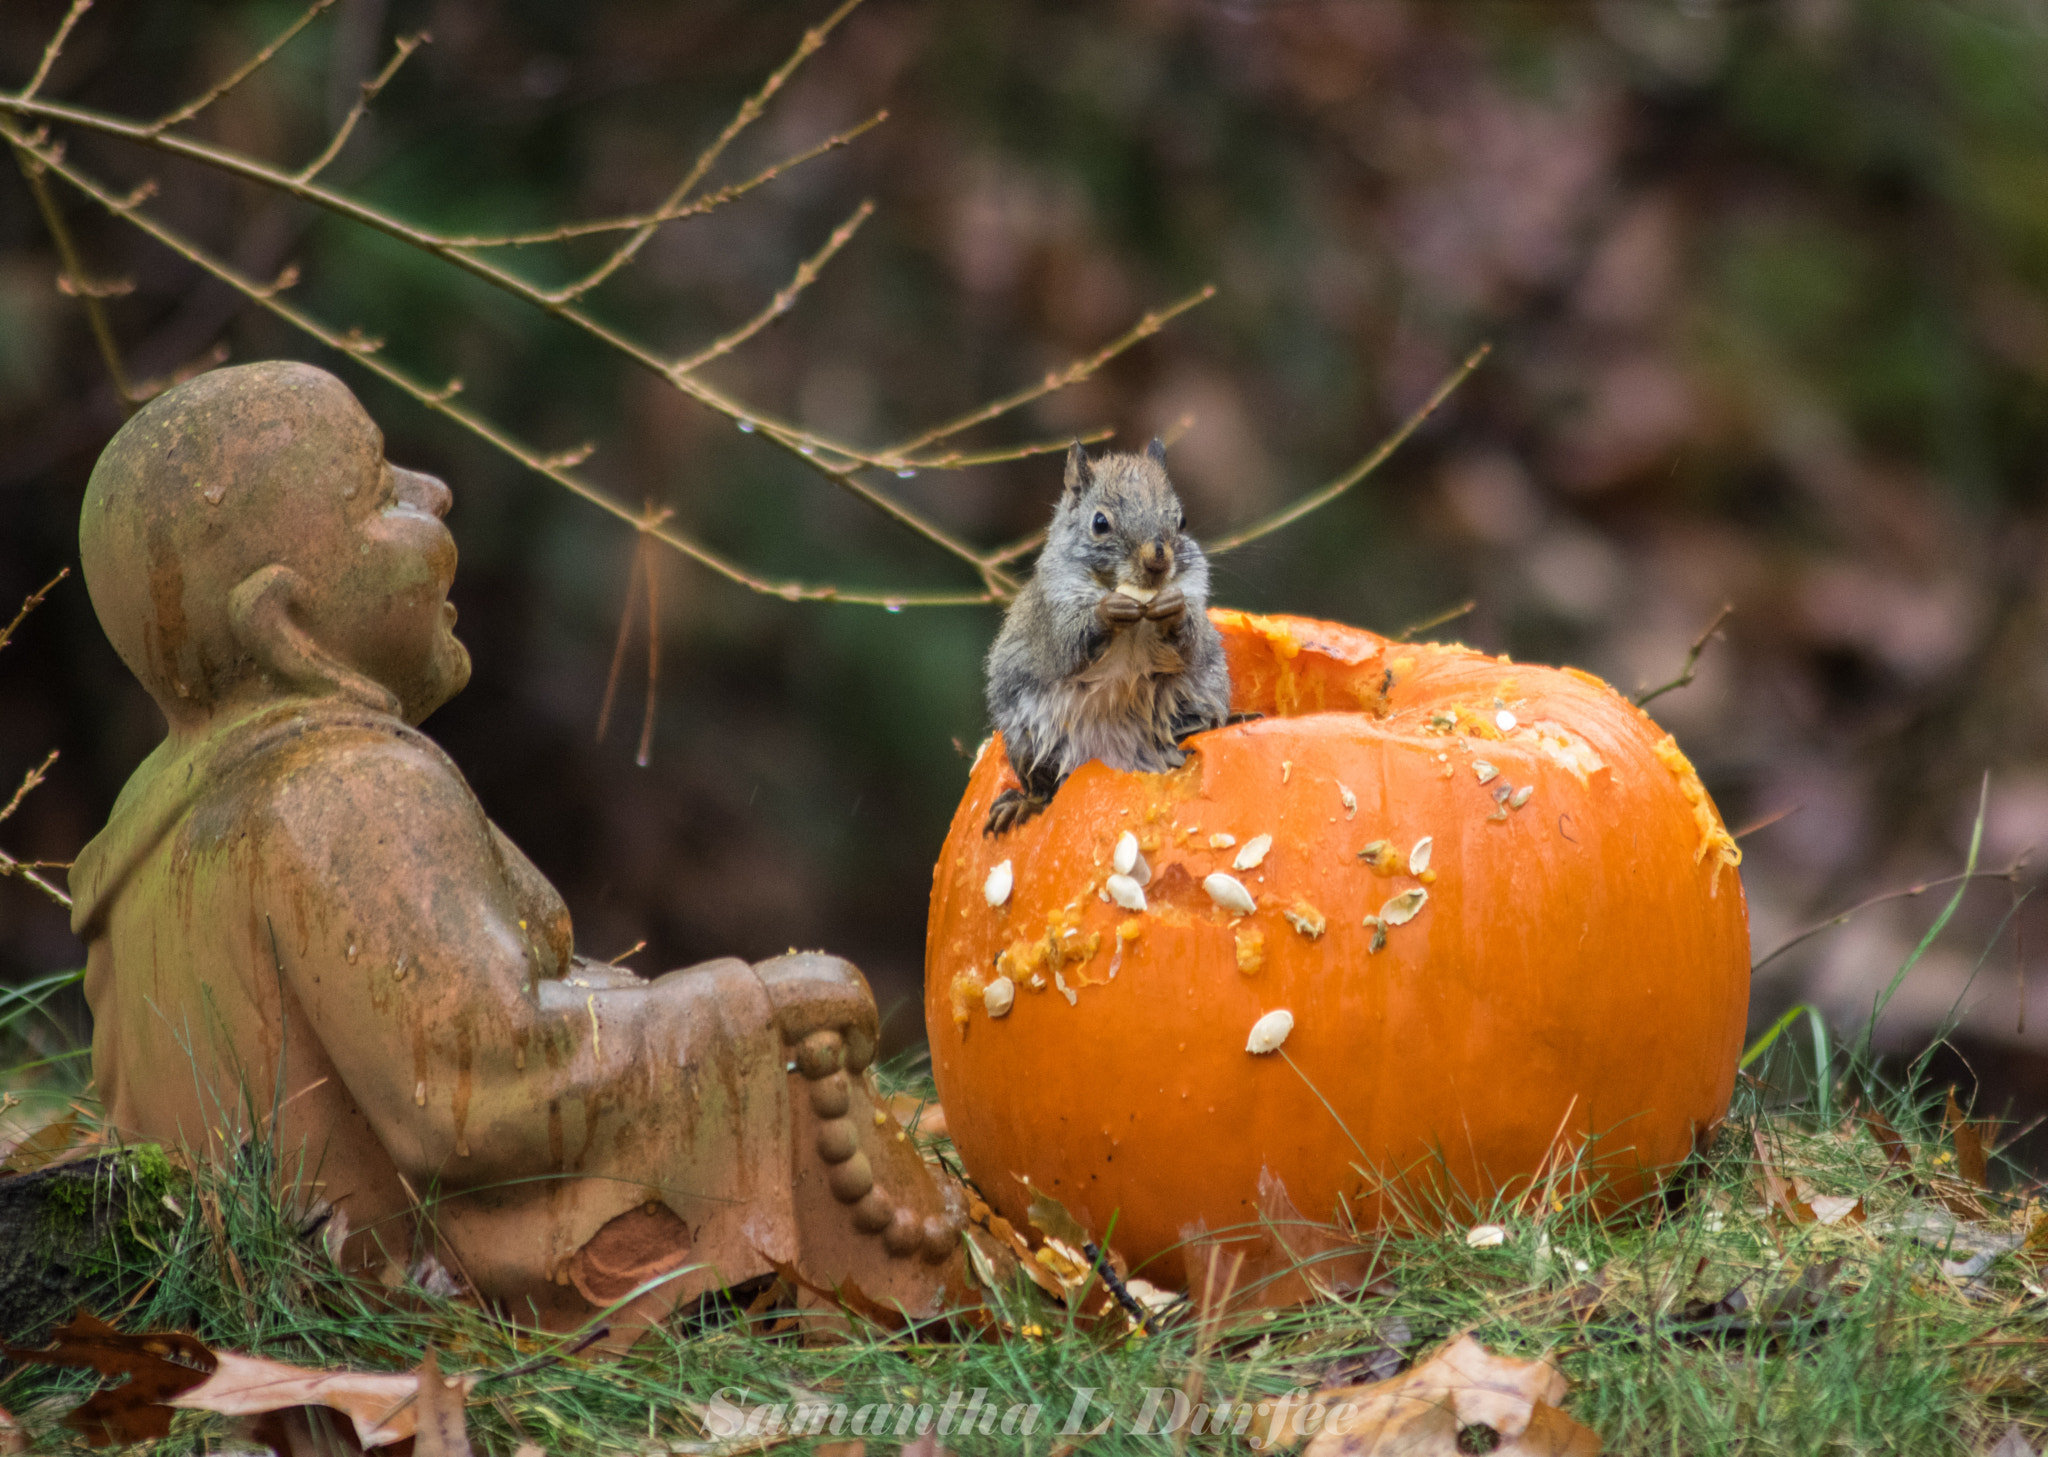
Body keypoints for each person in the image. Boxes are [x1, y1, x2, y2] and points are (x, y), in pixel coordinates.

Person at [69, 360, 964, 1338]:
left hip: (263, 1311)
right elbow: (479, 1090)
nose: (434, 492)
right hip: (427, 1309)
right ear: (287, 627)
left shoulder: (150, 832)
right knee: (807, 1097)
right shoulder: (348, 789)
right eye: (379, 492)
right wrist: (751, 1006)